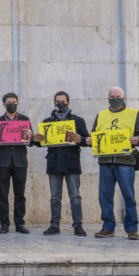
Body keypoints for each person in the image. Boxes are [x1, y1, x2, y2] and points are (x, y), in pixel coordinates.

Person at [87, 87, 139, 240]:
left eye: (118, 96)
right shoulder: (101, 115)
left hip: (125, 161)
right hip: (105, 161)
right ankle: (108, 227)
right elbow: (94, 136)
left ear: (123, 97)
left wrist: (138, 140)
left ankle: (132, 229)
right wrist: (90, 141)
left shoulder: (134, 114)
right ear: (108, 98)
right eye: (112, 96)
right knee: (105, 196)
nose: (115, 98)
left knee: (128, 195)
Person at [32, 91, 90, 237]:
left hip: (72, 163)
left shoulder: (78, 121)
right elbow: (42, 144)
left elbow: (87, 141)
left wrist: (80, 139)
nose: (60, 104)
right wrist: (36, 140)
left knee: (75, 196)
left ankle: (78, 225)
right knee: (54, 197)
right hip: (54, 163)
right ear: (54, 103)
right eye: (57, 101)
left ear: (68, 103)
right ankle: (54, 225)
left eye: (63, 101)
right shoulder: (47, 122)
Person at [0, 92, 34, 234]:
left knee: (20, 194)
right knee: (3, 194)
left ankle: (20, 224)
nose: (11, 104)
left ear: (18, 103)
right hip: (3, 162)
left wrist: (31, 137)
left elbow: (31, 143)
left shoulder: (25, 120)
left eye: (14, 101)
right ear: (4, 105)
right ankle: (4, 224)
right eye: (9, 102)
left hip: (20, 161)